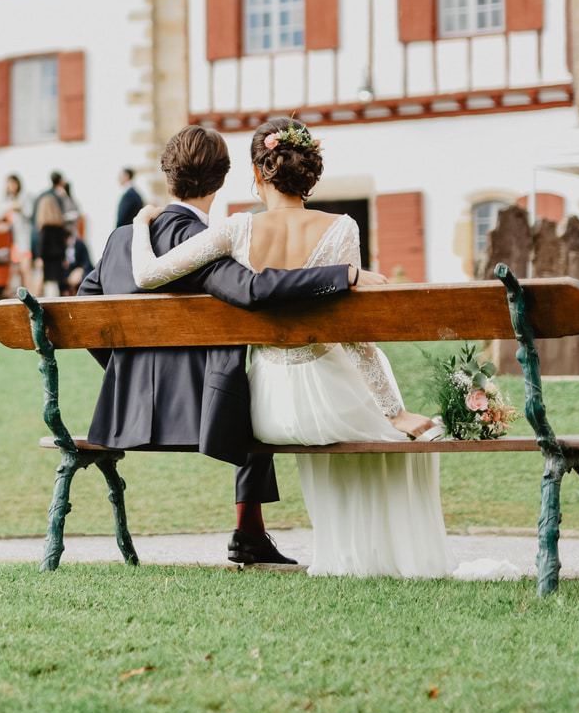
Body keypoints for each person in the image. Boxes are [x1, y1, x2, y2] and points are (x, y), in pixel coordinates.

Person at [127, 117, 447, 578]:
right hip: (324, 399)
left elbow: (147, 275)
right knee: (409, 434)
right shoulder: (342, 228)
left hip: (265, 408)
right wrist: (393, 411)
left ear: (259, 174)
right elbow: (356, 337)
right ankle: (378, 551)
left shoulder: (236, 230)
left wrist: (142, 223)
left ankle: (345, 545)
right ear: (308, 172)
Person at [81, 123, 377, 569]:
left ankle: (251, 533)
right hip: (203, 415)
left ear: (167, 175)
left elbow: (85, 312)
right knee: (256, 376)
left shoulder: (120, 239)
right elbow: (254, 291)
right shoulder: (202, 243)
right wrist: (342, 275)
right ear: (222, 181)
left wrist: (124, 370)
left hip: (124, 411)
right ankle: (248, 530)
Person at [33, 172, 72, 297]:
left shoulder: (45, 229)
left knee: (50, 286)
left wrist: (39, 257)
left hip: (48, 260)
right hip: (58, 260)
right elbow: (63, 244)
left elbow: (42, 244)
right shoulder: (60, 228)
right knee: (57, 285)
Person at [3, 173, 34, 295]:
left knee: (25, 269)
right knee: (16, 271)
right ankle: (19, 296)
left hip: (25, 240)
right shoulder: (9, 200)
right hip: (15, 241)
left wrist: (19, 208)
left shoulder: (24, 198)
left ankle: (31, 296)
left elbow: (29, 214)